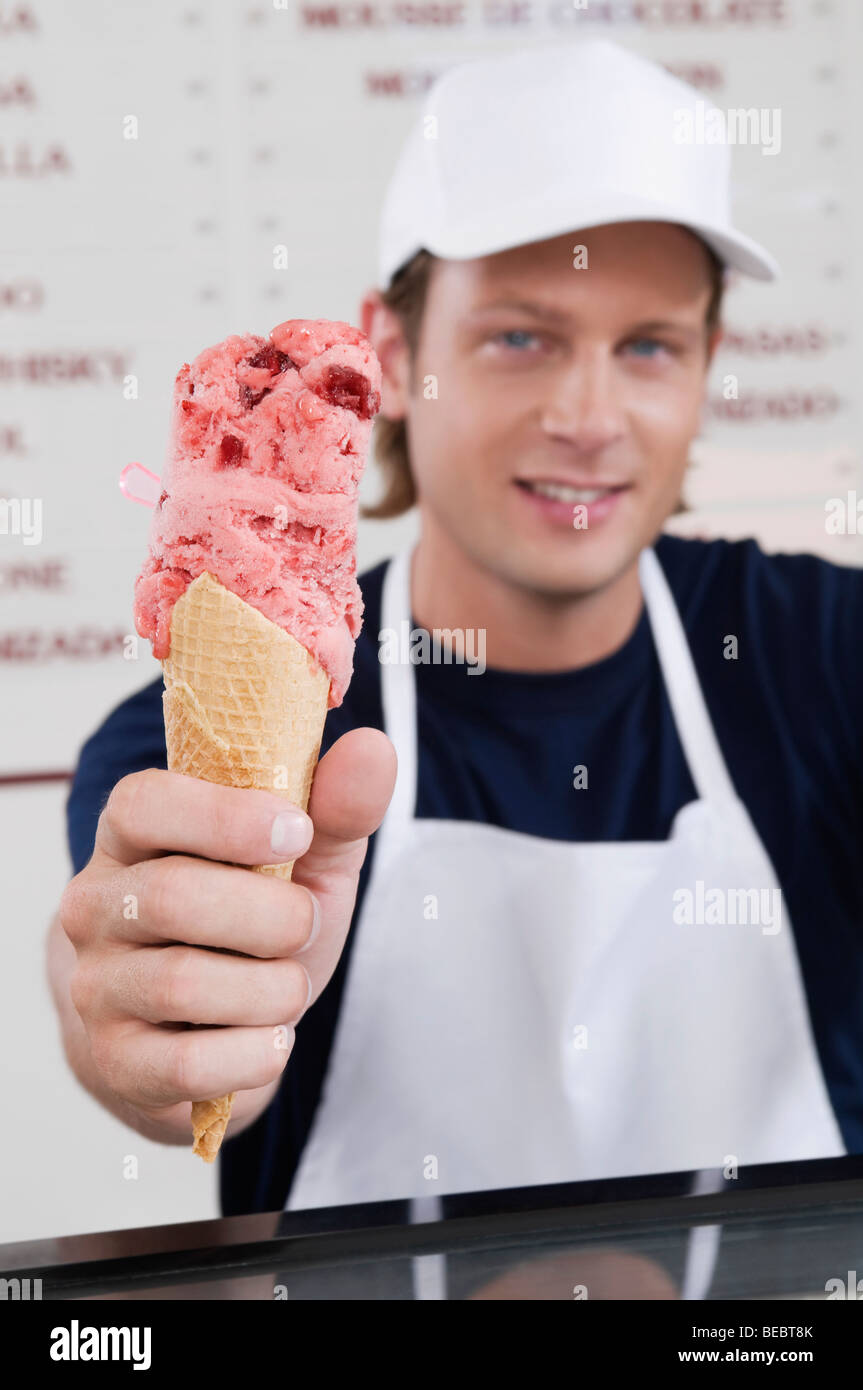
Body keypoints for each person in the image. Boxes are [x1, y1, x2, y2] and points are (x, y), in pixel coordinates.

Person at [49, 40, 863, 1226]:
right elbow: (141, 1003)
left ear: (703, 369)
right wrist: (150, 1032)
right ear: (391, 357)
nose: (587, 416)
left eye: (648, 346)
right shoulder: (205, 743)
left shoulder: (823, 652)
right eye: (519, 336)